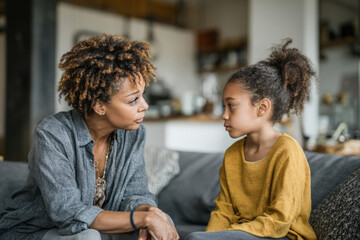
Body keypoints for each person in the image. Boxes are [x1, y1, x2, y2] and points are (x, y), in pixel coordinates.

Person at [0, 34, 179, 240]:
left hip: (97, 231)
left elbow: (135, 195)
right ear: (99, 105)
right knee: (88, 237)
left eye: (143, 95)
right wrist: (142, 219)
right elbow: (68, 213)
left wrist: (151, 213)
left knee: (161, 221)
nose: (144, 106)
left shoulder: (134, 134)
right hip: (35, 231)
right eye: (133, 100)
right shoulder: (53, 134)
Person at [185, 39, 317, 240]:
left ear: (262, 108)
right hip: (244, 233)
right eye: (224, 107)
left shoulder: (287, 151)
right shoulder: (232, 155)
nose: (224, 115)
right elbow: (224, 211)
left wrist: (227, 235)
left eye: (231, 106)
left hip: (282, 235)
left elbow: (280, 219)